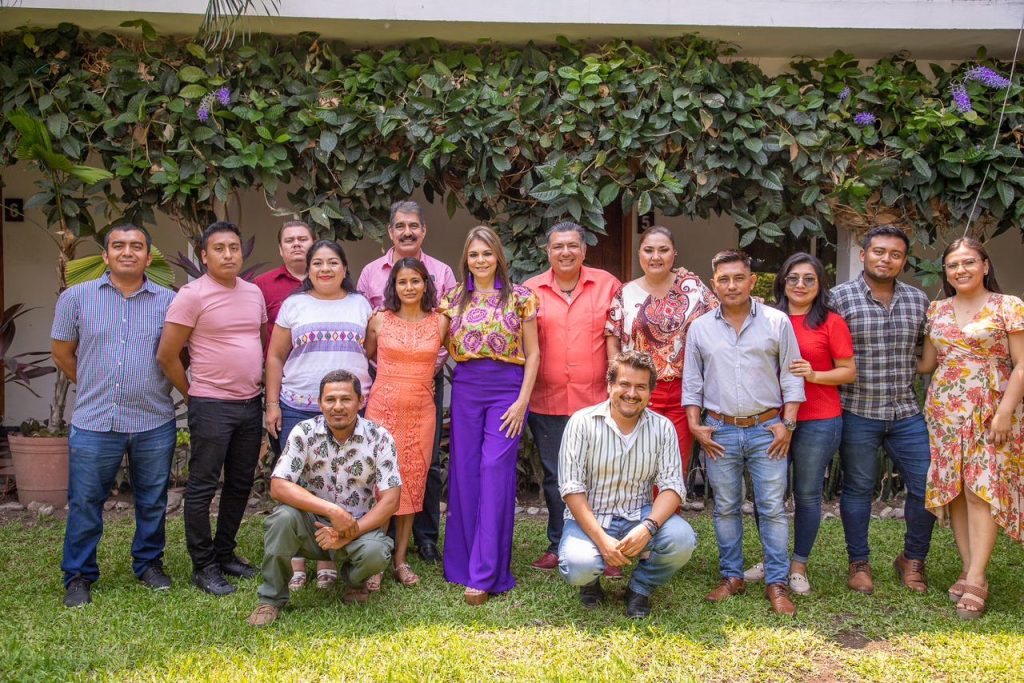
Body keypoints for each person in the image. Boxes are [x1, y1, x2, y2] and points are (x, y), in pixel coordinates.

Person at [51, 225, 177, 608]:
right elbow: (62, 353)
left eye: (136, 246)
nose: (127, 252)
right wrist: (95, 384)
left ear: (148, 257)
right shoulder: (75, 297)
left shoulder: (170, 301)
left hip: (153, 420)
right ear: (105, 256)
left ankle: (149, 564)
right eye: (118, 246)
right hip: (94, 420)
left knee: (152, 501)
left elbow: (178, 356)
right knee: (85, 502)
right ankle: (78, 575)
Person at [683, 250, 804, 616]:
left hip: (768, 430)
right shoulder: (700, 327)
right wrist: (695, 424)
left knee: (772, 508)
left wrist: (788, 424)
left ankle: (777, 582)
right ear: (714, 284)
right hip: (719, 431)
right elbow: (693, 382)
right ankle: (732, 576)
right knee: (725, 507)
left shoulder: (776, 321)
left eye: (739, 278)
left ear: (752, 281)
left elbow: (792, 375)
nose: (732, 285)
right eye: (724, 279)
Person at [156, 221, 267, 596]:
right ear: (204, 256)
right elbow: (167, 355)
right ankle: (203, 566)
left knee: (239, 483)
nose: (228, 255)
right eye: (219, 249)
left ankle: (225, 553)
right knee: (202, 486)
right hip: (211, 404)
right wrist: (193, 396)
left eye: (234, 247)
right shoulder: (192, 295)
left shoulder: (253, 293)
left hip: (249, 404)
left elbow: (258, 342)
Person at [919, 238, 1024, 619]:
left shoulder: (1008, 306)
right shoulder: (937, 309)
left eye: (968, 262)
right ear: (945, 272)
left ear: (985, 265)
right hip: (945, 410)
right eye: (952, 265)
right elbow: (927, 363)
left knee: (982, 490)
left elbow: (1021, 364)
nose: (960, 270)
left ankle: (978, 578)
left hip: (991, 409)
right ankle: (967, 568)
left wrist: (1005, 412)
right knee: (956, 491)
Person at [246, 370, 401, 627]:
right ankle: (270, 599)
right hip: (311, 526)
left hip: (356, 527)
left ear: (360, 401)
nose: (337, 406)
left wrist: (350, 531)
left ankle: (354, 581)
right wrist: (332, 511)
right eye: (330, 399)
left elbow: (391, 500)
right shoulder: (304, 432)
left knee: (376, 552)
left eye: (346, 399)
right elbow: (279, 486)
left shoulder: (379, 437)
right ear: (319, 403)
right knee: (282, 519)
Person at [830, 225, 936, 596]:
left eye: (895, 254)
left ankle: (912, 559)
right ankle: (859, 563)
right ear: (863, 255)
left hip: (905, 412)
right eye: (878, 252)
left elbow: (927, 353)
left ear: (903, 261)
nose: (885, 259)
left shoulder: (918, 300)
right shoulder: (838, 298)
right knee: (858, 488)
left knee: (926, 485)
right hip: (857, 410)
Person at [440, 225, 540, 605]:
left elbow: (533, 354)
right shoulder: (453, 299)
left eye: (486, 253)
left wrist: (522, 400)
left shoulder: (521, 298)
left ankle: (485, 573)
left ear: (498, 256)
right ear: (465, 259)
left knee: (494, 470)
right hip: (467, 388)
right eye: (473, 254)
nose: (480, 260)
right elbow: (436, 346)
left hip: (507, 391)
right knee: (465, 473)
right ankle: (463, 563)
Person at [264, 239, 371, 592]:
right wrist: (273, 404)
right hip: (298, 405)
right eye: (318, 263)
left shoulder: (360, 304)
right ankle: (296, 560)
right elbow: (275, 356)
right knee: (298, 483)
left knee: (340, 481)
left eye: (333, 262)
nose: (325, 269)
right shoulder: (294, 305)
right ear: (308, 270)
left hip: (349, 409)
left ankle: (327, 558)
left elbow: (370, 351)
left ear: (345, 268)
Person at [557, 350, 698, 619]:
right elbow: (571, 488)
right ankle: (590, 583)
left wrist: (648, 528)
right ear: (610, 386)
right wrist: (602, 540)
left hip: (639, 514)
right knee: (578, 566)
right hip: (592, 516)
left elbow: (672, 486)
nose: (632, 393)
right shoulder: (581, 423)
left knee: (682, 540)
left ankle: (640, 587)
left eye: (640, 387)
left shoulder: (663, 428)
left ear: (650, 392)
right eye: (624, 384)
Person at [357, 200, 457, 565]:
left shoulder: (443, 273)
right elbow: (367, 349)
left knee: (422, 469)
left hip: (425, 386)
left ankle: (423, 541)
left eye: (414, 225)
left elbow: (457, 342)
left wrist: (425, 363)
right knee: (379, 470)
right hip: (384, 391)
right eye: (400, 226)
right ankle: (374, 547)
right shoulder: (371, 276)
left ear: (423, 230)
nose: (407, 232)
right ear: (390, 231)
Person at [754, 253, 855, 595]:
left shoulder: (830, 322)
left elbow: (848, 371)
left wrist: (814, 375)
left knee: (807, 494)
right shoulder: (765, 318)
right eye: (793, 277)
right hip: (771, 420)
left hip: (819, 420)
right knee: (768, 494)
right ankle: (772, 559)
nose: (800, 285)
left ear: (819, 284)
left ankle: (798, 565)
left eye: (809, 279)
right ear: (782, 281)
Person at [524, 221, 621, 573]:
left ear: (583, 250)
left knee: (600, 476)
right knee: (555, 478)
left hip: (596, 401)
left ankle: (607, 546)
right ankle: (558, 543)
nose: (565, 252)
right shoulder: (530, 290)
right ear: (547, 252)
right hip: (547, 401)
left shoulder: (608, 285)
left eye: (571, 246)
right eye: (557, 246)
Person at [364, 258, 449, 587]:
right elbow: (368, 355)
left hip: (420, 411)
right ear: (393, 286)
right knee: (381, 483)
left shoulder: (440, 322)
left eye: (416, 280)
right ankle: (376, 560)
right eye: (403, 281)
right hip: (382, 409)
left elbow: (459, 354)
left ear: (426, 284)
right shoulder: (379, 320)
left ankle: (400, 560)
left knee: (412, 482)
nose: (409, 287)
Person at [606, 226, 717, 476]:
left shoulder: (693, 287)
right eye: (649, 250)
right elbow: (612, 337)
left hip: (683, 390)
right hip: (636, 389)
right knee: (637, 462)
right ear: (639, 254)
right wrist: (616, 382)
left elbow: (720, 320)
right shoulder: (625, 293)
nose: (656, 257)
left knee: (674, 463)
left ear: (674, 254)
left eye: (663, 250)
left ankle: (668, 504)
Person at [254, 220, 316, 353]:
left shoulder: (328, 280)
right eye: (289, 240)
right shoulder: (261, 284)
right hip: (279, 364)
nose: (296, 244)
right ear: (281, 250)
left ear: (315, 245)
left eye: (303, 239)